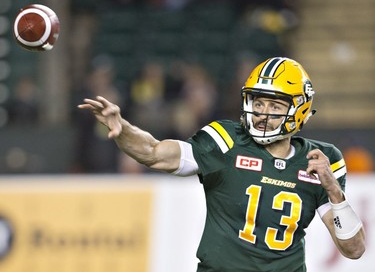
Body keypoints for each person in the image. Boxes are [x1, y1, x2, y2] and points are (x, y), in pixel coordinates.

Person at [78, 57, 365, 271]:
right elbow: (155, 152)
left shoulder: (321, 161)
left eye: (275, 106)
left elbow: (354, 249)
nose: (263, 113)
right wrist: (123, 128)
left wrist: (334, 193)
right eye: (259, 102)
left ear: (299, 111)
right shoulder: (226, 140)